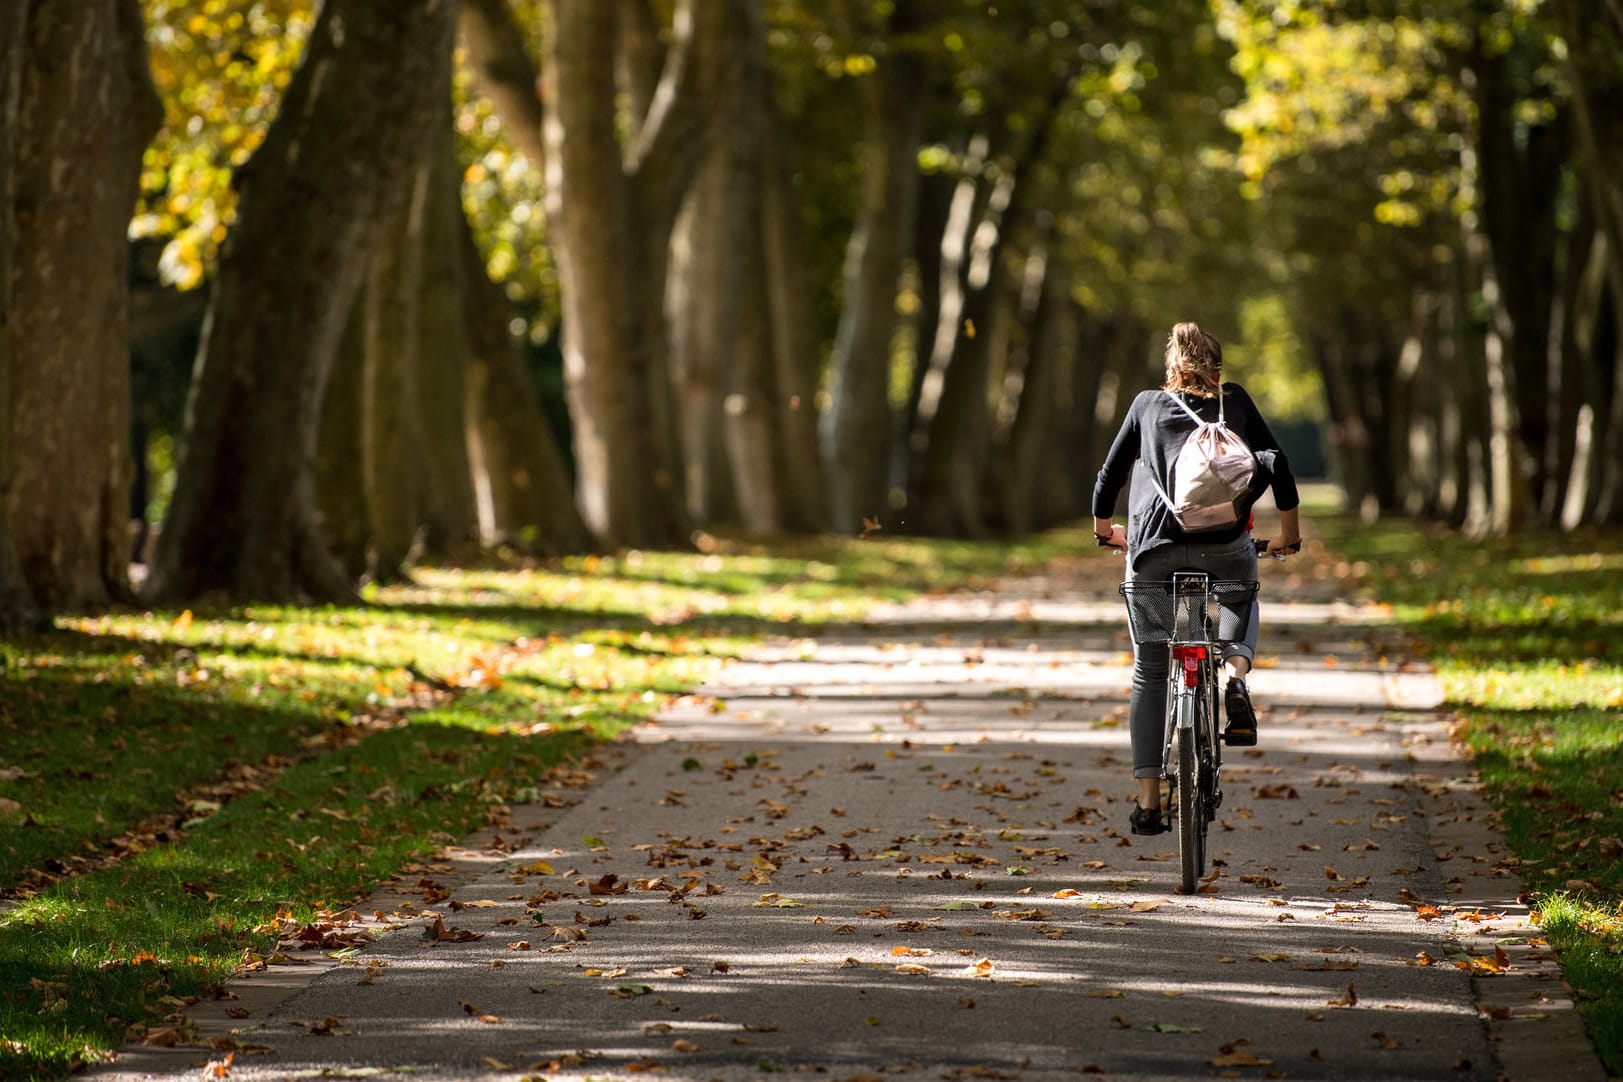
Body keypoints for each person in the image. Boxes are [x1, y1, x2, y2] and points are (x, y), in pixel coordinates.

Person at [1091, 322, 1302, 836]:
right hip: (1226, 549)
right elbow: (1276, 463)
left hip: (1154, 552)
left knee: (1150, 668)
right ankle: (1236, 677)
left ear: (1171, 367)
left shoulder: (1146, 405)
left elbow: (1110, 475)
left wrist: (1105, 530)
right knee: (1241, 590)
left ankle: (1147, 802)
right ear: (1217, 368)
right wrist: (1287, 537)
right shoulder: (1235, 402)